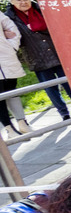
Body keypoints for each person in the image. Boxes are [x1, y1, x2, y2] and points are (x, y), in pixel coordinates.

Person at [4, 0, 71, 121]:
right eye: (19, 0)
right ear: (12, 1)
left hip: (56, 53)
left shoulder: (41, 9)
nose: (23, 2)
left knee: (69, 83)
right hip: (36, 57)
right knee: (50, 88)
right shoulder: (9, 18)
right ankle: (64, 113)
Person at [0, 8, 30, 137]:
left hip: (6, 58)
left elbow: (12, 28)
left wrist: (11, 46)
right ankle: (9, 128)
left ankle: (22, 123)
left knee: (12, 91)